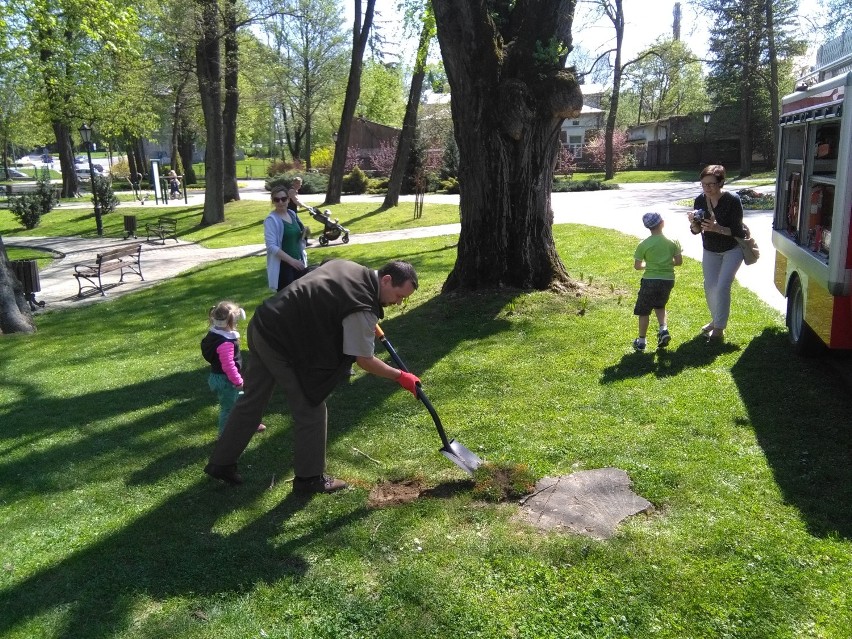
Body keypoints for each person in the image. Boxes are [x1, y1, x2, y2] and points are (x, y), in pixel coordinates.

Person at [203, 259, 421, 493]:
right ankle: (309, 479)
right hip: (281, 342)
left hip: (264, 322)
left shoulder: (350, 267)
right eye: (398, 296)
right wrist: (400, 376)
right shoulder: (362, 307)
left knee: (252, 398)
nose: (397, 303)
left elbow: (317, 274)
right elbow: (364, 360)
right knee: (311, 408)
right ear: (386, 279)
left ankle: (221, 463)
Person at [687, 165, 745, 344]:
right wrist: (693, 224)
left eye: (711, 184)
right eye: (703, 184)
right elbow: (697, 231)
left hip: (732, 249)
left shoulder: (732, 200)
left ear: (721, 183)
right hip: (710, 249)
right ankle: (716, 320)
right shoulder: (700, 200)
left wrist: (716, 228)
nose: (707, 188)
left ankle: (719, 329)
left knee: (722, 286)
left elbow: (738, 232)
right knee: (710, 286)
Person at [201, 301, 266, 436]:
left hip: (222, 377)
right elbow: (228, 365)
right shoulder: (225, 343)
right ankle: (225, 435)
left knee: (243, 400)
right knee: (229, 407)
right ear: (232, 321)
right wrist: (238, 381)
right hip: (227, 380)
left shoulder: (214, 334)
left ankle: (250, 423)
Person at [632, 212, 683, 351]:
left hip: (650, 281)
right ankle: (663, 329)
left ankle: (641, 341)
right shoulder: (673, 241)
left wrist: (649, 265)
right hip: (667, 281)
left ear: (648, 227)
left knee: (644, 311)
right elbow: (678, 262)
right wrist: (666, 263)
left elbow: (637, 266)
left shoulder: (643, 244)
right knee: (660, 306)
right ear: (662, 223)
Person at [264, 186, 306, 291]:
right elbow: (271, 247)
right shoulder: (271, 220)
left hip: (299, 262)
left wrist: (305, 233)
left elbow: (297, 236)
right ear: (273, 201)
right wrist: (292, 261)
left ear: (288, 199)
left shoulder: (292, 214)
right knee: (288, 301)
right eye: (276, 199)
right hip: (283, 268)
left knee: (303, 299)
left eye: (283, 199)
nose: (280, 202)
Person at [287, 176, 312, 246]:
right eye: (298, 183)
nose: (299, 185)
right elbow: (296, 201)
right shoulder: (291, 191)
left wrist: (300, 206)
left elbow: (297, 202)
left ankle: (301, 241)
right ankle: (304, 242)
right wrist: (306, 206)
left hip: (292, 213)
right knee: (301, 226)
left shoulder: (295, 191)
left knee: (298, 227)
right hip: (289, 213)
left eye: (300, 183)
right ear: (294, 183)